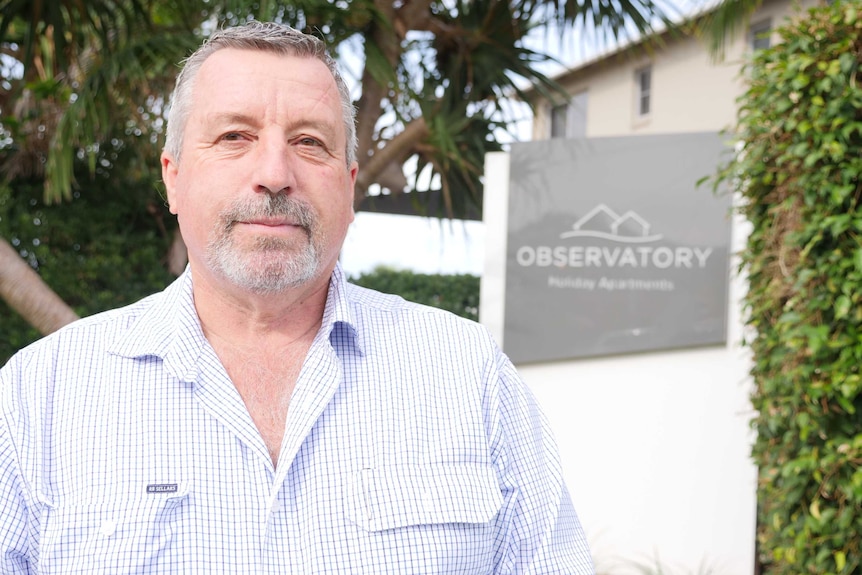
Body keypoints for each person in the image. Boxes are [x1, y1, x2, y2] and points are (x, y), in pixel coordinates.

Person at [0, 21, 595, 574]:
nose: (275, 172)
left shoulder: (466, 371)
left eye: (310, 142)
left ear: (350, 184)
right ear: (174, 177)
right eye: (235, 136)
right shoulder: (39, 393)